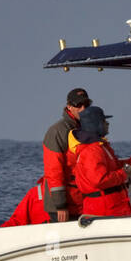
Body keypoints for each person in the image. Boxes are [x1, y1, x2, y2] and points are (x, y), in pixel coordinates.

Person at [70, 106, 131, 217]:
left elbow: (118, 166)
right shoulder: (92, 151)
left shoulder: (99, 147)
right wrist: (124, 174)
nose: (107, 124)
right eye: (104, 121)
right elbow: (100, 180)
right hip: (106, 210)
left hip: (110, 207)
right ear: (95, 124)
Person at [42, 88, 91, 222]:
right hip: (63, 207)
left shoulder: (88, 128)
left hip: (81, 204)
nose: (83, 109)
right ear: (69, 106)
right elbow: (53, 171)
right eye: (78, 105)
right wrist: (61, 205)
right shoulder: (57, 131)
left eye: (86, 105)